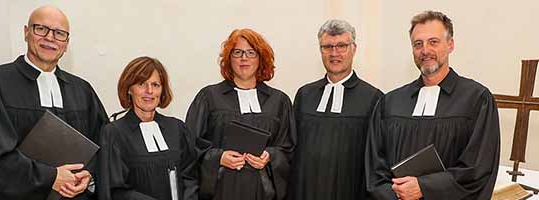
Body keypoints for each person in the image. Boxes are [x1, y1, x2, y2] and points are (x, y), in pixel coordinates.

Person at [0, 5, 108, 200]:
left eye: (59, 33)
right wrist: (51, 177)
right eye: (41, 29)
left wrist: (90, 175)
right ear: (26, 32)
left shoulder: (82, 90)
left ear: (66, 43)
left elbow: (104, 145)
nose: (50, 38)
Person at [365, 10, 500, 200]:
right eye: (418, 44)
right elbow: (375, 167)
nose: (425, 50)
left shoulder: (476, 100)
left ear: (450, 45)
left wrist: (425, 188)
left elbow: (478, 170)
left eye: (433, 42)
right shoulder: (391, 102)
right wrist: (395, 194)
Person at [185, 28, 295, 200]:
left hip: (263, 192)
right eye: (237, 52)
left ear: (261, 58)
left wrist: (269, 156)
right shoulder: (209, 97)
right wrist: (218, 157)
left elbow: (289, 149)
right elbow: (190, 145)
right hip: (221, 191)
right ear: (229, 59)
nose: (244, 58)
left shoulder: (279, 101)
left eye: (251, 52)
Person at [288, 19, 383, 200]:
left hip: (351, 191)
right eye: (327, 47)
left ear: (354, 49)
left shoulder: (374, 98)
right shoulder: (305, 95)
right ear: (320, 50)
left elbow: (376, 158)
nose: (334, 53)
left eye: (341, 46)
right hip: (305, 190)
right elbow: (290, 148)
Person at [97, 56, 206, 200]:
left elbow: (190, 177)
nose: (149, 91)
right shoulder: (114, 133)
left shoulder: (177, 128)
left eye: (155, 85)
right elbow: (114, 190)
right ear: (129, 89)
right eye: (142, 84)